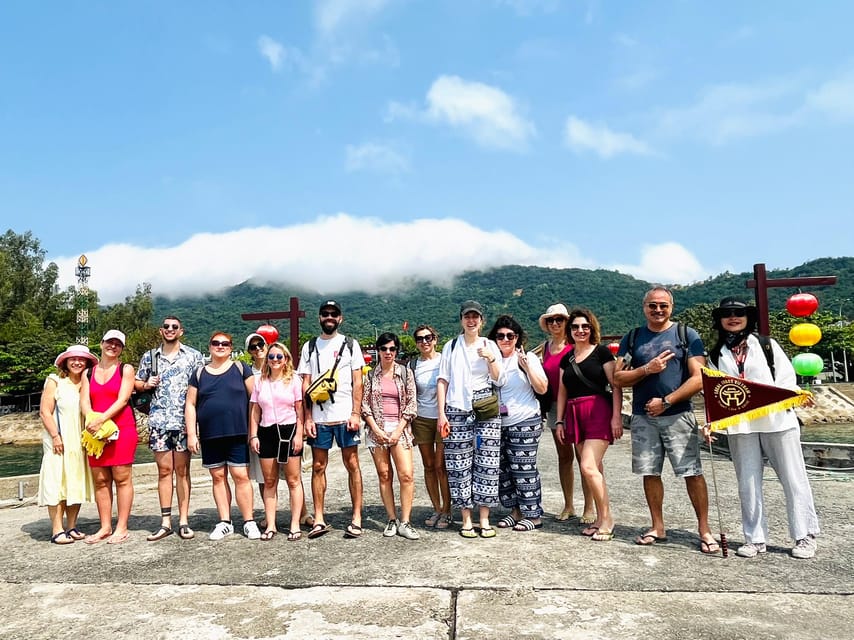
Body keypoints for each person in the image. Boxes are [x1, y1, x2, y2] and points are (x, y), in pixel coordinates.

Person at [706, 297, 820, 559]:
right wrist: (712, 421)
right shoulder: (716, 354)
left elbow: (786, 379)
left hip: (778, 421)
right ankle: (754, 538)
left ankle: (805, 535)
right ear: (720, 320)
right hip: (741, 427)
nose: (733, 318)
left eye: (739, 313)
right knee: (747, 482)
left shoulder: (767, 345)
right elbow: (717, 392)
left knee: (793, 478)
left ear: (748, 318)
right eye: (727, 314)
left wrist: (794, 395)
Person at [613, 287, 719, 554]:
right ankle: (657, 526)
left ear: (671, 306)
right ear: (644, 307)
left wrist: (668, 401)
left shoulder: (686, 335)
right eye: (652, 306)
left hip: (678, 414)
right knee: (650, 472)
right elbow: (618, 377)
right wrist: (648, 369)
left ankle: (704, 529)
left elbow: (699, 377)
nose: (657, 310)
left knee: (691, 472)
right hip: (643, 416)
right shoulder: (633, 337)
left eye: (663, 305)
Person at [437, 300, 506, 539]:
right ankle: (466, 519)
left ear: (481, 320)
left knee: (487, 462)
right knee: (458, 464)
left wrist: (490, 358)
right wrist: (441, 414)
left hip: (485, 407)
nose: (471, 320)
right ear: (461, 319)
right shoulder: (451, 346)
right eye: (467, 316)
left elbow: (499, 380)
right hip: (457, 407)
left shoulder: (490, 345)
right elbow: (443, 380)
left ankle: (484, 519)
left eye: (475, 317)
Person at [298, 300, 366, 539]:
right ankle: (318, 518)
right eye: (325, 314)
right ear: (319, 318)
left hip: (345, 415)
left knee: (352, 464)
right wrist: (307, 418)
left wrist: (356, 413)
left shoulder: (350, 344)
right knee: (318, 466)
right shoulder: (310, 346)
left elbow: (358, 381)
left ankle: (356, 516)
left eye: (333, 314)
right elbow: (305, 384)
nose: (329, 317)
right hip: (319, 417)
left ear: (340, 318)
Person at [555, 308, 623, 541]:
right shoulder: (567, 358)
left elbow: (615, 385)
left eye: (585, 326)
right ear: (570, 330)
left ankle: (607, 519)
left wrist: (617, 416)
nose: (580, 330)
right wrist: (560, 420)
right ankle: (600, 519)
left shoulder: (602, 353)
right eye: (575, 327)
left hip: (598, 411)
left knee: (587, 467)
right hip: (575, 413)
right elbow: (562, 392)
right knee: (596, 468)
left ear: (591, 328)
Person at [136, 316, 205, 542]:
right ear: (161, 331)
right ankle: (166, 521)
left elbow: (201, 388)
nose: (170, 330)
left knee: (182, 471)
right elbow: (137, 383)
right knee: (164, 471)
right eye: (166, 327)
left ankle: (184, 520)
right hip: (159, 421)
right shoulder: (150, 357)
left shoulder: (194, 356)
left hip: (184, 423)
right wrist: (146, 385)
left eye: (174, 327)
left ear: (181, 331)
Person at [185, 331, 259, 540]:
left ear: (230, 347)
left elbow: (255, 400)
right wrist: (192, 433)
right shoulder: (199, 373)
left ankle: (249, 521)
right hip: (210, 434)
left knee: (240, 476)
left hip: (238, 431)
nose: (220, 346)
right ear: (209, 346)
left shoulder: (240, 368)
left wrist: (255, 432)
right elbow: (190, 404)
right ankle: (225, 521)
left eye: (225, 343)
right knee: (217, 477)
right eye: (216, 343)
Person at [487, 315, 547, 532]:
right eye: (500, 336)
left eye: (510, 336)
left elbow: (542, 388)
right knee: (502, 470)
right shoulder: (489, 360)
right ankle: (515, 510)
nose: (505, 339)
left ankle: (534, 514)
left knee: (524, 468)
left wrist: (527, 367)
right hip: (497, 422)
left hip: (524, 420)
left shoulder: (528, 357)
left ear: (517, 338)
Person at [535, 303, 594, 523]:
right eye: (551, 320)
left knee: (584, 458)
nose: (555, 324)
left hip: (576, 404)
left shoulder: (575, 344)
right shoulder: (545, 347)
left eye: (560, 319)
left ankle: (589, 507)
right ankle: (569, 504)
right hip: (554, 407)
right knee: (564, 457)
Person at [79, 329, 138, 545]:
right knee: (101, 480)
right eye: (109, 342)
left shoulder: (126, 369)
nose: (112, 347)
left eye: (118, 344)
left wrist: (101, 419)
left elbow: (123, 400)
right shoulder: (88, 372)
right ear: (101, 343)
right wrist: (92, 421)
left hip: (121, 428)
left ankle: (121, 526)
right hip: (95, 431)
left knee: (122, 477)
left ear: (122, 348)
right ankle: (105, 526)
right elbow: (84, 401)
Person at [361, 332, 420, 540]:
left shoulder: (405, 373)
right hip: (377, 428)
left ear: (397, 351)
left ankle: (406, 521)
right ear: (378, 350)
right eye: (384, 348)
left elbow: (412, 403)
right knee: (384, 475)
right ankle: (391, 518)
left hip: (400, 428)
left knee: (406, 474)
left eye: (392, 349)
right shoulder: (370, 375)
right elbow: (364, 405)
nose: (388, 352)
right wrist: (376, 429)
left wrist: (397, 430)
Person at [38, 345, 97, 544]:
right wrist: (55, 436)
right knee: (56, 482)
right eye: (73, 359)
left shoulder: (86, 384)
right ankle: (57, 529)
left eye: (82, 359)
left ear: (87, 363)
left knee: (75, 481)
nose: (77, 362)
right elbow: (45, 412)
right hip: (59, 440)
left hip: (79, 441)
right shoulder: (55, 381)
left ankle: (71, 526)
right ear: (65, 362)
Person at [249, 342, 306, 541]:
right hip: (266, 431)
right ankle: (271, 524)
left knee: (293, 480)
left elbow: (300, 411)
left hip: (288, 431)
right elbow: (255, 411)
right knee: (270, 481)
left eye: (279, 357)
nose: (274, 360)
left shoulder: (294, 381)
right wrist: (253, 435)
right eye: (271, 357)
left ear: (286, 359)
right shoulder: (260, 381)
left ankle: (295, 523)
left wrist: (299, 435)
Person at [410, 324, 452, 529]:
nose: (424, 342)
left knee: (440, 465)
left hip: (443, 419)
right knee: (428, 466)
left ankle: (447, 509)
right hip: (422, 419)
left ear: (435, 339)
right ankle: (436, 507)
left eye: (428, 338)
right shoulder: (413, 365)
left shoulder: (446, 360)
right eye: (420, 339)